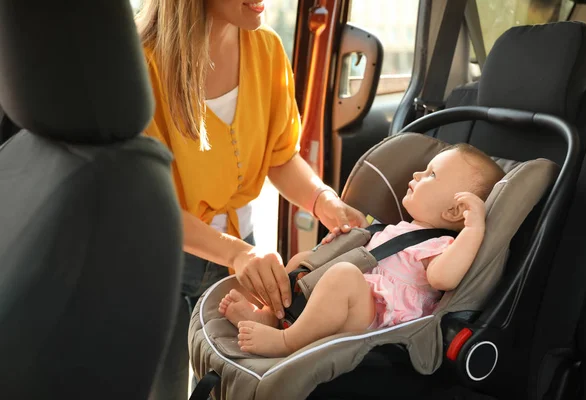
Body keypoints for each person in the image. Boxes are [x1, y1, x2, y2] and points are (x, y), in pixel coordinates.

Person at [135, 0, 368, 397]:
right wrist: (236, 254)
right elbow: (152, 208)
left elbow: (280, 157)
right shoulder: (143, 67)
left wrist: (321, 198)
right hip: (161, 260)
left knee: (228, 382)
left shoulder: (268, 50)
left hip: (242, 246)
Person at [218, 144, 506, 357]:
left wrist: (473, 229)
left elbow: (443, 279)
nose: (418, 173)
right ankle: (272, 315)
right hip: (350, 291)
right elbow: (365, 254)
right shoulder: (395, 229)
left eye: (431, 175)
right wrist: (335, 247)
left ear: (456, 210)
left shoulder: (441, 245)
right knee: (303, 259)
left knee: (344, 276)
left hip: (376, 317)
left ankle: (286, 342)